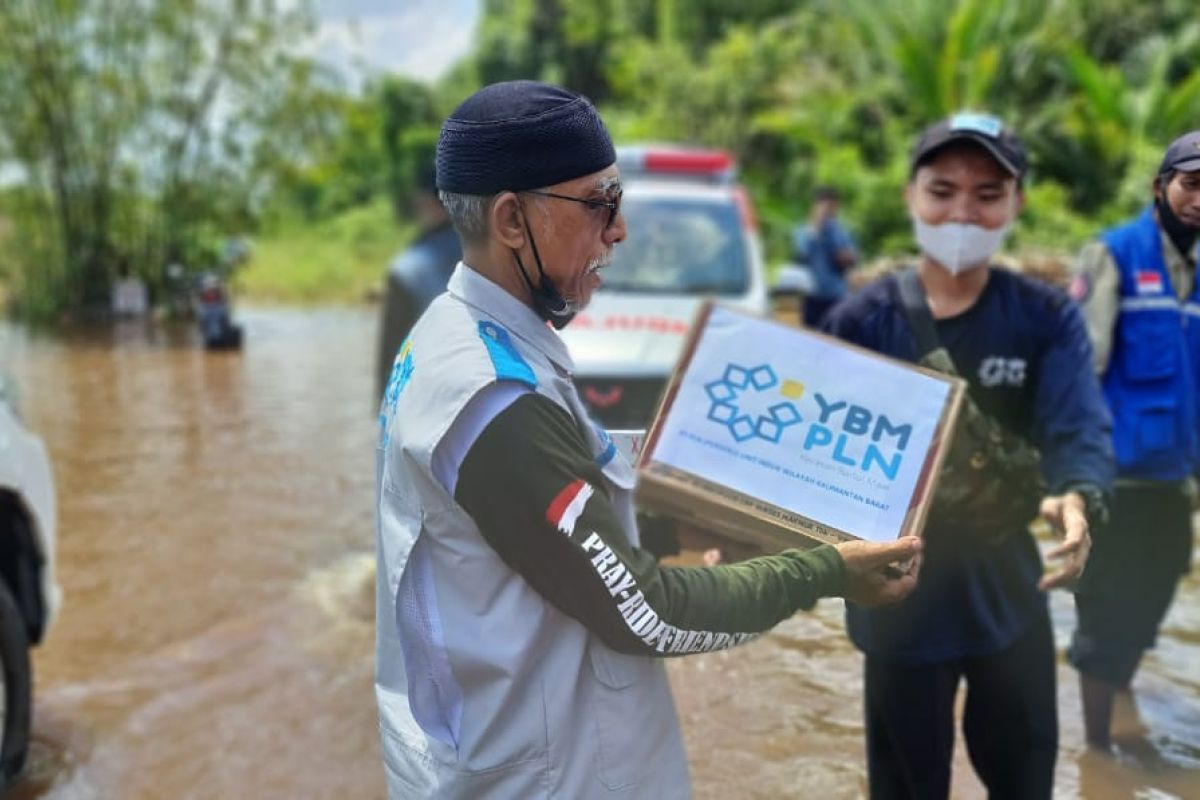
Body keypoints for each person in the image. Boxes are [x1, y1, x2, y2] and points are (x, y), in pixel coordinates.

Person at [374, 80, 925, 799]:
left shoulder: (463, 335)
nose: (619, 231)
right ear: (511, 219)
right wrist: (826, 571)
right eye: (600, 204)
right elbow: (647, 611)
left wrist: (702, 500)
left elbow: (586, 481)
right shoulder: (491, 398)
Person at [821, 112, 1114, 799]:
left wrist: (1079, 494)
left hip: (1006, 590)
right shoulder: (862, 322)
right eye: (943, 189)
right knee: (904, 785)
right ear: (910, 197)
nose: (962, 212)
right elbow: (808, 449)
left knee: (1025, 777)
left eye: (988, 195)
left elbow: (1080, 428)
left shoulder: (1045, 316)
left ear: (1017, 205)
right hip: (893, 592)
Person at [1067, 130, 1200, 750]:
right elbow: (1080, 369)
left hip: (1175, 480)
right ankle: (1100, 757)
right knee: (1107, 612)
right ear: (1161, 186)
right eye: (1192, 183)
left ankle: (1121, 700)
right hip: (1115, 476)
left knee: (1157, 593)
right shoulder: (1114, 254)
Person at [375, 164, 462, 401]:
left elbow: (391, 368)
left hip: (430, 406)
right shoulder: (493, 252)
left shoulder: (406, 271)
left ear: (425, 202)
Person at [792, 185, 858, 327]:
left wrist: (845, 257)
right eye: (825, 207)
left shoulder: (842, 231)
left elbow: (852, 257)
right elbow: (803, 253)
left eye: (832, 207)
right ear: (815, 206)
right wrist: (816, 227)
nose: (829, 212)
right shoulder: (803, 230)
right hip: (811, 295)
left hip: (836, 295)